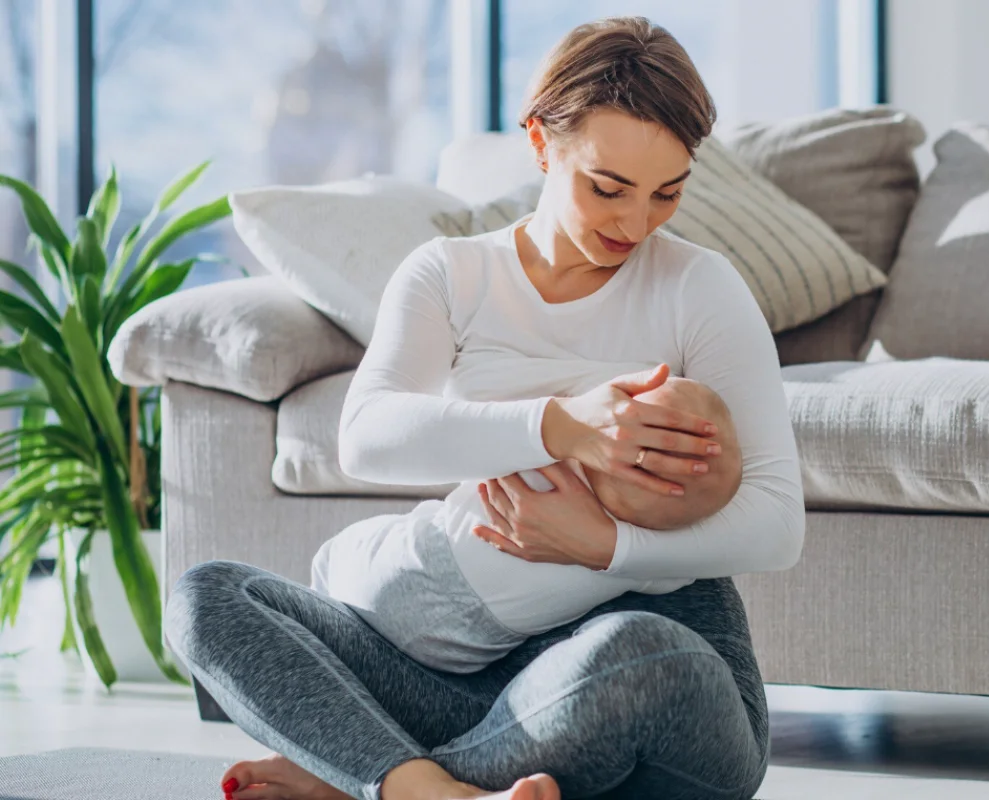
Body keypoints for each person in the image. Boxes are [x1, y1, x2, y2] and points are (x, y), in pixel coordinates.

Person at [163, 15, 803, 800]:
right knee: (207, 597)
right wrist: (560, 426)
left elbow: (778, 523)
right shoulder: (454, 275)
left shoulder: (700, 288)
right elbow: (365, 436)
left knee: (640, 656)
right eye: (608, 188)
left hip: (642, 678)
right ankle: (429, 789)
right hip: (462, 679)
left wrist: (604, 544)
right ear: (540, 143)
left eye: (667, 193)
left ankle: (367, 777)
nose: (635, 225)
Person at [310, 372, 744, 674]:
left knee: (330, 561)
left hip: (415, 564)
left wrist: (567, 418)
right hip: (463, 652)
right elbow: (683, 567)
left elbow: (486, 431)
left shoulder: (549, 466)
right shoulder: (656, 570)